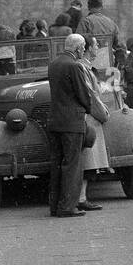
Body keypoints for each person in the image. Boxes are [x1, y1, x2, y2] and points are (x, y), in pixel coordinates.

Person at [45, 34, 93, 218]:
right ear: (78, 48)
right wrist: (89, 107)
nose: (83, 51)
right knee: (73, 165)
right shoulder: (74, 66)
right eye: (82, 48)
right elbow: (83, 94)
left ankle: (55, 205)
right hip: (72, 122)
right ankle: (67, 207)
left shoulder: (54, 64)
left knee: (56, 164)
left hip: (55, 120)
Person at [76, 34, 111, 211]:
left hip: (90, 118)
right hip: (90, 119)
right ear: (88, 48)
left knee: (89, 161)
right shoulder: (83, 68)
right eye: (96, 45)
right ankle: (81, 198)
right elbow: (91, 96)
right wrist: (103, 114)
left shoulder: (86, 67)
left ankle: (82, 197)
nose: (97, 48)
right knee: (87, 161)